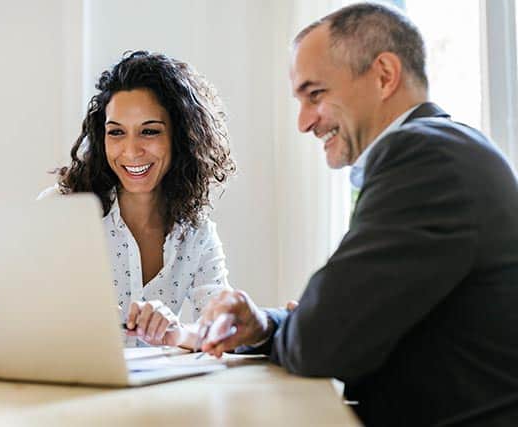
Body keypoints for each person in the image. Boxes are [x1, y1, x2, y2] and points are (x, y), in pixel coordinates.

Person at [195, 3, 518, 426]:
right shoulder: (449, 148)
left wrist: (308, 320)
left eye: (316, 94)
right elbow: (342, 321)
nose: (304, 122)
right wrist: (267, 323)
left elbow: (322, 340)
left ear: (384, 75)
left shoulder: (423, 157)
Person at [39, 51, 236, 348]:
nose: (131, 151)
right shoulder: (62, 210)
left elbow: (223, 332)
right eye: (116, 132)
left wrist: (175, 331)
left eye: (149, 131)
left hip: (153, 394)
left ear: (180, 137)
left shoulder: (197, 235)